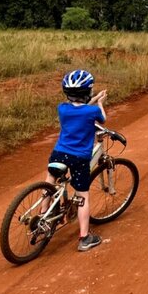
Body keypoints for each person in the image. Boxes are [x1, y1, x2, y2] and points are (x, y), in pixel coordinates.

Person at [47, 69, 108, 252]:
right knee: (83, 197)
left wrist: (93, 99)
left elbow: (78, 111)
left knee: (49, 184)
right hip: (79, 158)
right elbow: (102, 119)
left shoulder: (62, 109)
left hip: (58, 153)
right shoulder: (93, 111)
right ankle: (84, 238)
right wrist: (100, 101)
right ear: (88, 91)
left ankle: (43, 213)